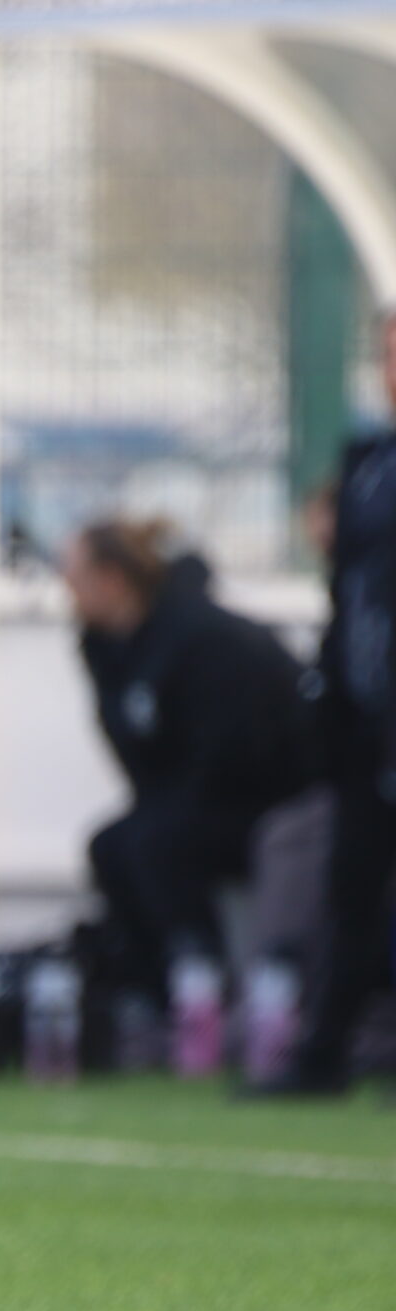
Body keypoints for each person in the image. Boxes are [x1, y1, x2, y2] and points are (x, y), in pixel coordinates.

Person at [64, 521, 310, 1010]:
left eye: (73, 579)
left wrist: (170, 808)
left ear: (111, 578)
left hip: (271, 800)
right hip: (193, 801)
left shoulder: (204, 637)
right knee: (112, 845)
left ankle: (202, 977)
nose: (66, 593)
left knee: (156, 843)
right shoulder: (107, 649)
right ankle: (150, 995)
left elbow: (234, 753)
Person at [250, 309, 396, 1096]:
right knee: (353, 881)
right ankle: (323, 1053)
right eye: (387, 353)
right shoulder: (369, 462)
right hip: (367, 720)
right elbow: (352, 596)